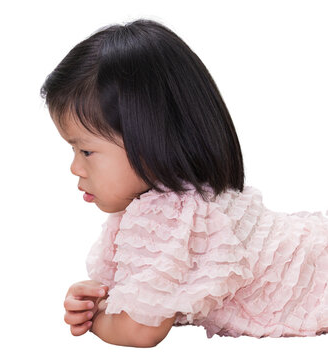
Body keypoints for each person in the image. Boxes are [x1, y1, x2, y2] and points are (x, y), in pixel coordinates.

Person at [40, 19, 328, 347]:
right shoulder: (180, 204)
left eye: (86, 150)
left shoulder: (167, 217)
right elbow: (146, 297)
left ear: (151, 140)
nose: (75, 167)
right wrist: (99, 300)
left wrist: (96, 321)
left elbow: (141, 330)